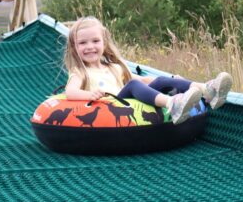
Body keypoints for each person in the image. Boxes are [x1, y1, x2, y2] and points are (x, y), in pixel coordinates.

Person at [63, 17, 233, 125]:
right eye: (83, 43)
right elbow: (70, 92)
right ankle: (171, 105)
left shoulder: (113, 67)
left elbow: (144, 81)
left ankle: (208, 90)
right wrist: (89, 95)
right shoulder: (80, 72)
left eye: (95, 41)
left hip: (124, 102)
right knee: (133, 84)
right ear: (74, 48)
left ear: (104, 43)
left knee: (157, 80)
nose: (90, 47)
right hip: (110, 108)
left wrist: (174, 80)